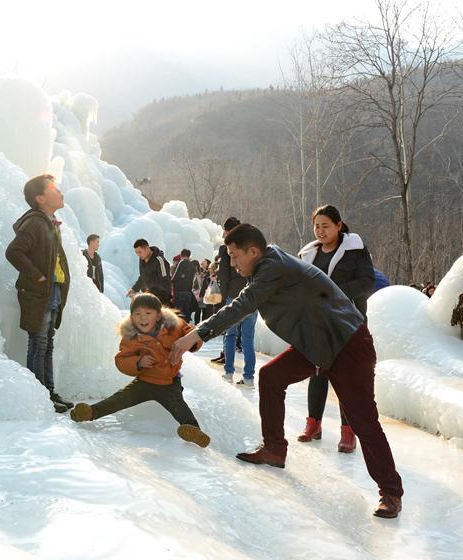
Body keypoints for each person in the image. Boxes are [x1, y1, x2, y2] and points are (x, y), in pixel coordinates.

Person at [171, 224, 404, 518]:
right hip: (316, 344)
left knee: (362, 420)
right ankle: (274, 448)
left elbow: (243, 305)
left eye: (234, 256)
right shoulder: (266, 265)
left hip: (347, 345)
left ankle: (391, 492)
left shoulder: (272, 268)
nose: (231, 263)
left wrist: (198, 334)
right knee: (271, 377)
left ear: (253, 251)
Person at [70, 293, 210, 448]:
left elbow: (191, 335)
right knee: (118, 400)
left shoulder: (175, 326)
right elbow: (121, 360)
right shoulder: (131, 337)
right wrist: (138, 362)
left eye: (148, 313)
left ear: (158, 316)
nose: (142, 318)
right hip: (144, 382)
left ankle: (193, 430)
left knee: (180, 408)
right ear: (131, 317)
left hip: (169, 384)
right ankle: (90, 412)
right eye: (137, 314)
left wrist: (191, 343)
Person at [296, 205, 375, 454]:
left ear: (339, 225)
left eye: (326, 225)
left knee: (347, 377)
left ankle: (348, 431)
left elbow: (367, 281)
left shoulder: (355, 251)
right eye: (317, 226)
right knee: (317, 372)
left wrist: (336, 293)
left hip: (349, 321)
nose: (320, 230)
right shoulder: (309, 254)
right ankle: (313, 424)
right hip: (319, 322)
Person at [5, 174, 73, 413]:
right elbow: (14, 252)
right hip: (39, 291)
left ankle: (49, 391)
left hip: (51, 290)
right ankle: (40, 395)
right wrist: (37, 276)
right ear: (40, 198)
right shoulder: (35, 222)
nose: (60, 193)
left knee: (47, 342)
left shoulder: (50, 222)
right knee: (39, 341)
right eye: (54, 189)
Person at [217, 217, 256, 386]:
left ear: (227, 231)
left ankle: (229, 372)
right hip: (252, 296)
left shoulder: (226, 248)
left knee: (230, 335)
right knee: (248, 338)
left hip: (233, 296)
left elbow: (224, 274)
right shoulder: (253, 247)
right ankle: (248, 377)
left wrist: (223, 296)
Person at [127, 239, 172, 305]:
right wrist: (134, 289)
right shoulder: (142, 259)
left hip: (160, 300)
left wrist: (161, 302)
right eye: (136, 252)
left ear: (147, 248)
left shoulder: (160, 261)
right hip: (148, 298)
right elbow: (143, 276)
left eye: (139, 252)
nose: (138, 255)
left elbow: (166, 283)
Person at [172, 248, 199, 323]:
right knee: (186, 312)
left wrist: (171, 281)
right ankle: (185, 327)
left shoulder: (182, 262)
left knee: (178, 311)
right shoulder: (192, 265)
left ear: (181, 255)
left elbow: (176, 276)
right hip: (188, 291)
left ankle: (178, 328)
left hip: (179, 291)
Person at [193, 259, 212, 323]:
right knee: (197, 310)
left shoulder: (209, 272)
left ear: (207, 264)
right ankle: (196, 324)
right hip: (198, 293)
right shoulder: (198, 271)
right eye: (202, 261)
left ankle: (203, 325)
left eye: (204, 261)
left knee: (205, 311)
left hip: (205, 293)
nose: (202, 262)